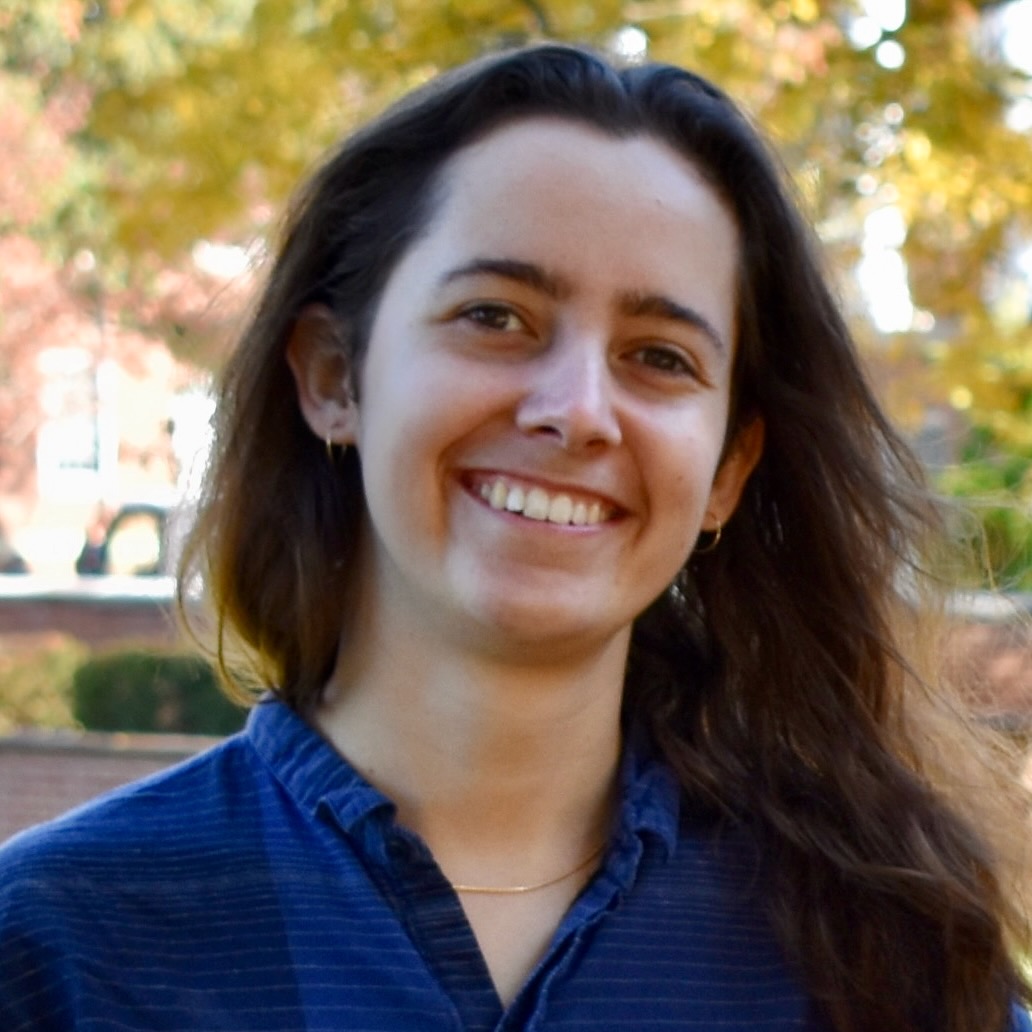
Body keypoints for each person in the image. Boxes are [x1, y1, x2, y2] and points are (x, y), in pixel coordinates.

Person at [0, 42, 1029, 1032]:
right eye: (497, 316)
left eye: (660, 356)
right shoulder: (60, 943)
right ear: (331, 377)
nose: (578, 410)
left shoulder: (881, 957)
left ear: (727, 469)